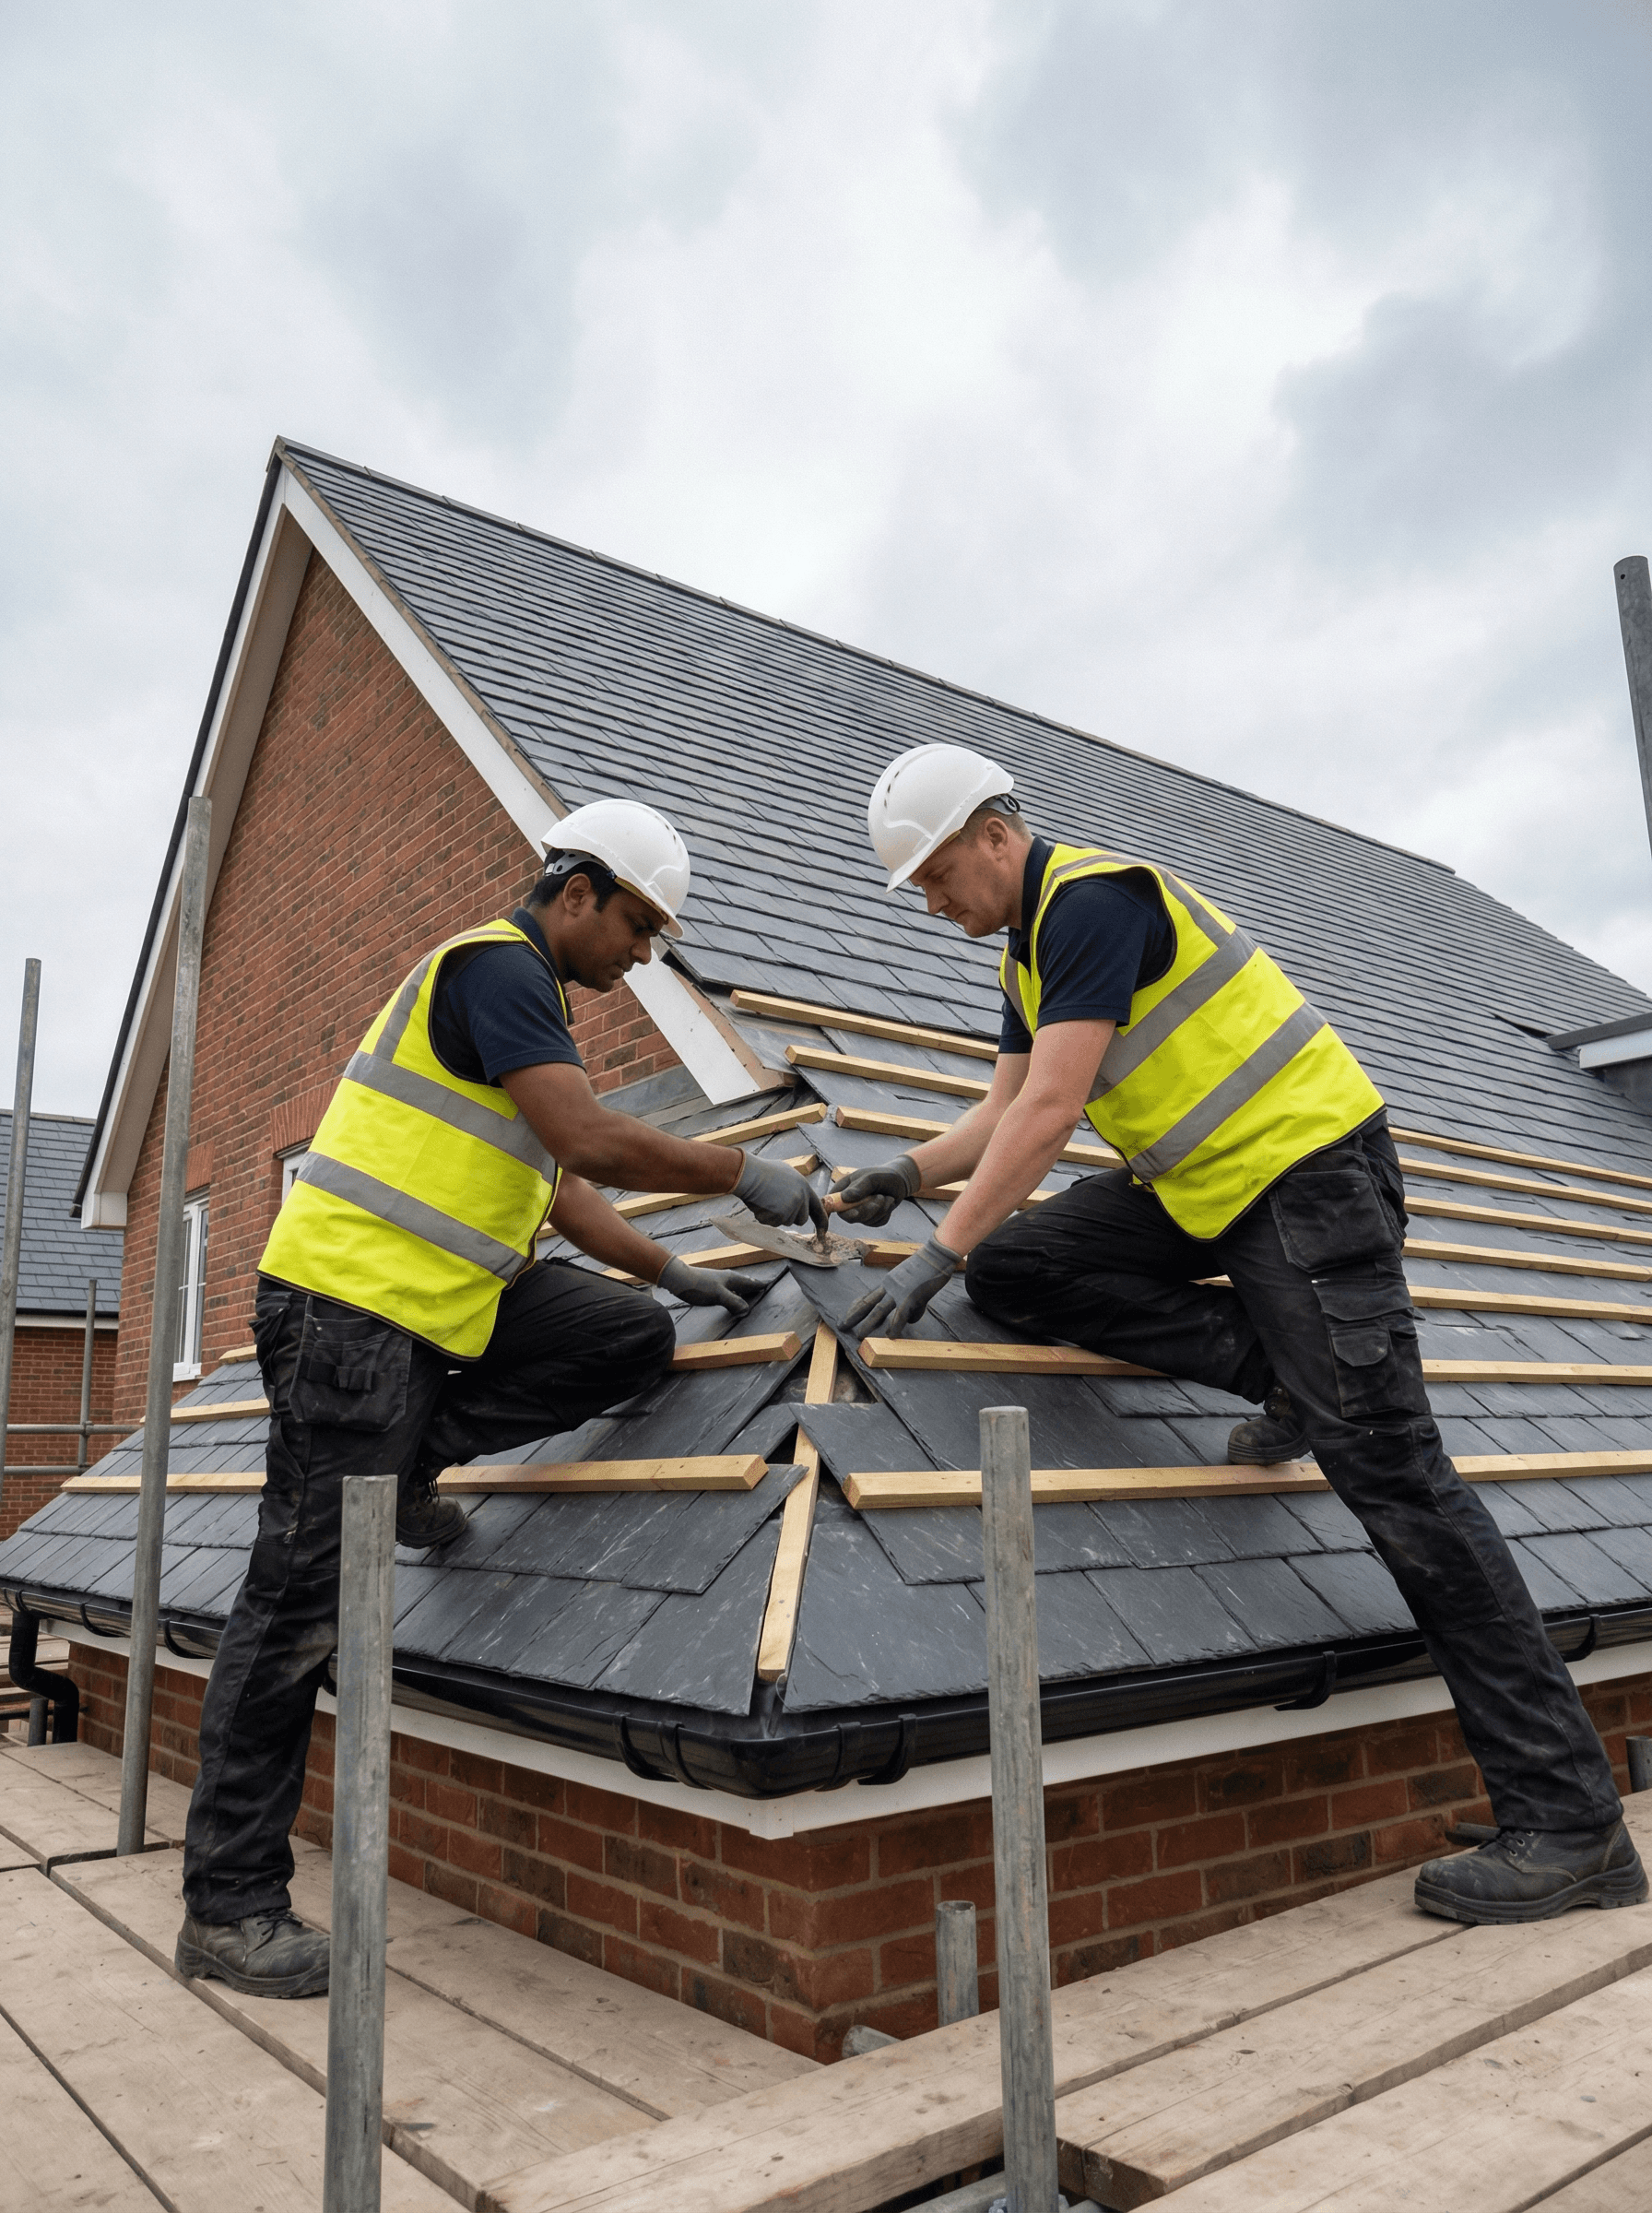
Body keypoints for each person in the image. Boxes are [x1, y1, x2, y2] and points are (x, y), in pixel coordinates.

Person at [839, 742, 1646, 1927]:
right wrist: (902, 1178)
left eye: (935, 875)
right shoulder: (1026, 956)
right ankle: (1292, 1369)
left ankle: (1571, 1823)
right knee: (1025, 1262)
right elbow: (1003, 1112)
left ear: (993, 837)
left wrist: (934, 1251)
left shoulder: (1093, 903)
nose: (932, 902)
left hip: (1309, 1183)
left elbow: (1056, 1112)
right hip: (1212, 1192)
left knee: (1401, 1488)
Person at [174, 799, 824, 1996]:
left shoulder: (530, 1006)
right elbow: (587, 1139)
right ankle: (227, 1908)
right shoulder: (492, 968)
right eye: (639, 926)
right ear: (576, 891)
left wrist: (674, 1273)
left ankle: (411, 1462)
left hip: (429, 1326)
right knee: (298, 1611)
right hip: (352, 1319)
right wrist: (742, 1173)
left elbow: (558, 1188)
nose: (645, 955)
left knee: (625, 1336)